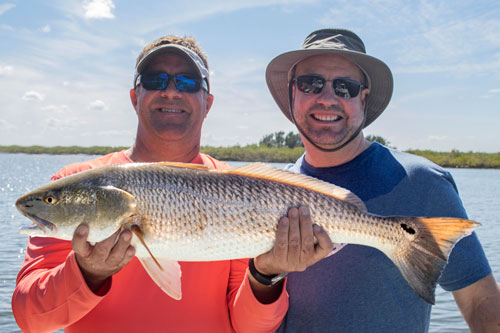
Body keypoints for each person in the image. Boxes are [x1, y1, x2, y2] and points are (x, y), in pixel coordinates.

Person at [12, 35, 334, 332]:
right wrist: (86, 274)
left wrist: (267, 275)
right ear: (134, 97)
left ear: (207, 102)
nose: (171, 91)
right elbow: (29, 317)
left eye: (187, 82)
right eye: (155, 80)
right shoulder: (72, 181)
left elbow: (250, 327)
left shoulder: (238, 189)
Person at [265, 28, 500, 332]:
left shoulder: (422, 182)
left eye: (345, 87)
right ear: (292, 93)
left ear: (363, 99)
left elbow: (478, 299)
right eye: (311, 84)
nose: (326, 99)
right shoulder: (268, 190)